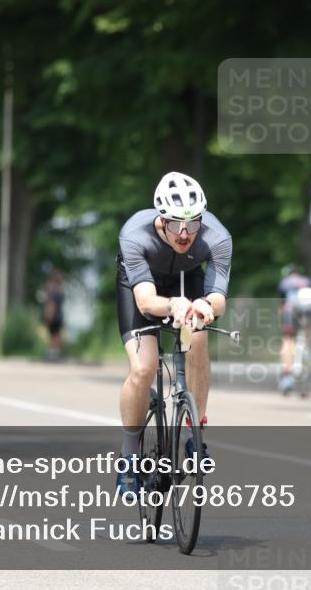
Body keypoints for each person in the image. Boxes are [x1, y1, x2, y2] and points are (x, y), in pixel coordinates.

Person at [115, 172, 232, 494]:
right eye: (176, 224)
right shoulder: (134, 235)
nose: (184, 233)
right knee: (143, 368)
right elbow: (146, 302)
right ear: (161, 218)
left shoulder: (217, 237)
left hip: (187, 278)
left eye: (193, 223)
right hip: (143, 286)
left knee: (199, 335)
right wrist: (174, 306)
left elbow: (219, 296)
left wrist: (207, 307)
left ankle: (194, 435)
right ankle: (128, 455)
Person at [277, 264, 311, 391]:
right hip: (307, 313)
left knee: (288, 340)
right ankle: (309, 354)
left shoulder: (285, 282)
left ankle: (287, 371)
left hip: (291, 312)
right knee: (308, 333)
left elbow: (282, 305)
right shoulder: (308, 281)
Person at [43, 270, 65, 361]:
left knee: (53, 335)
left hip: (53, 315)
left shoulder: (51, 290)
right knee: (57, 334)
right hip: (59, 315)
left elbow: (51, 305)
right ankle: (57, 352)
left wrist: (48, 316)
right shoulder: (61, 290)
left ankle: (53, 353)